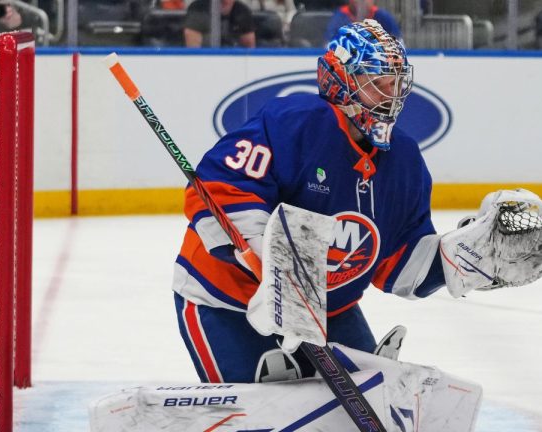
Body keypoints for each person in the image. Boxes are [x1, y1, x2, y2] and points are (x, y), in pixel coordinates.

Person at [172, 19, 444, 384]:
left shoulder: (404, 158)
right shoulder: (293, 124)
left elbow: (400, 260)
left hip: (329, 306)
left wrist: (466, 261)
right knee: (259, 413)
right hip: (228, 299)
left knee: (366, 398)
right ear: (342, 82)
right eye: (376, 83)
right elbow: (223, 190)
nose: (390, 95)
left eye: (394, 83)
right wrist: (274, 271)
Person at [183, 0, 256, 48]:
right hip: (205, 59)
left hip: (234, 61)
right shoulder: (198, 9)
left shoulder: (242, 11)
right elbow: (193, 49)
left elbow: (249, 47)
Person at [324, 0, 401, 44]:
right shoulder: (341, 15)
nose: (361, 2)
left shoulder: (382, 15)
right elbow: (329, 41)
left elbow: (398, 40)